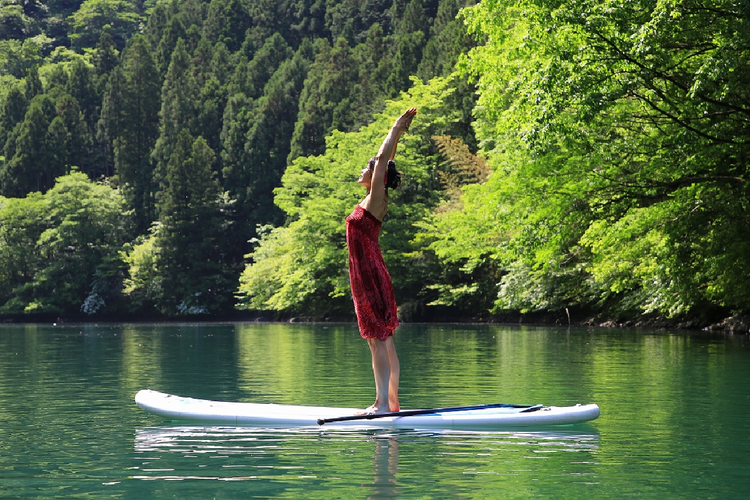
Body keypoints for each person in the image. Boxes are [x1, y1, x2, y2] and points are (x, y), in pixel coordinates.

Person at [346, 107, 417, 414]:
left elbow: (383, 158)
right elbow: (384, 161)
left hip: (370, 274)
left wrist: (395, 128)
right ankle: (391, 402)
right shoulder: (371, 198)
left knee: (378, 340)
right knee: (382, 339)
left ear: (377, 177)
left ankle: (381, 404)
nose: (365, 170)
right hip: (367, 273)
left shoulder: (376, 197)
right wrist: (398, 133)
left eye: (370, 169)